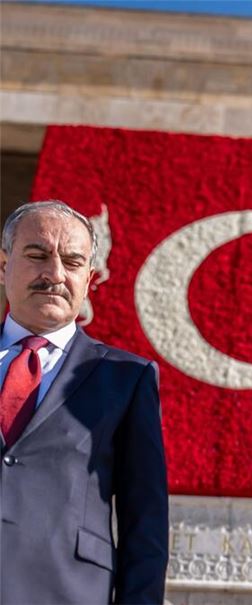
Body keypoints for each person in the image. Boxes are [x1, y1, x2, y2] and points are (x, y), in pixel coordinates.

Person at [0, 201, 168, 604]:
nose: (55, 274)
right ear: (4, 265)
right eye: (37, 255)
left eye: (72, 262)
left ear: (90, 278)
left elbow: (144, 523)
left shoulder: (128, 379)